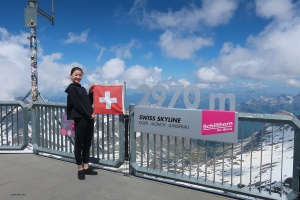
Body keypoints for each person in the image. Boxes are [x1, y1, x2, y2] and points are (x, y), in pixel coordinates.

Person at [65, 67, 98, 180]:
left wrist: (90, 92)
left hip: (88, 119)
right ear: (71, 75)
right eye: (76, 75)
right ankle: (80, 169)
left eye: (80, 75)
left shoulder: (82, 89)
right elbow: (77, 105)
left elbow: (88, 102)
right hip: (80, 119)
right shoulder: (71, 89)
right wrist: (89, 115)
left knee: (87, 143)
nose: (78, 77)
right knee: (79, 145)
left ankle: (86, 167)